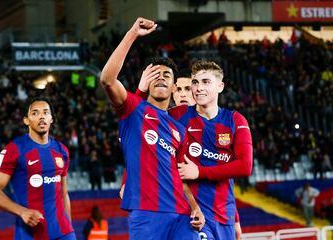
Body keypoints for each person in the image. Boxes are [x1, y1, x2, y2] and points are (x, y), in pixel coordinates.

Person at [100, 17, 204, 239]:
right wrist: (132, 34)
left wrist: (195, 207)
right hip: (147, 214)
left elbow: (180, 175)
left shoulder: (179, 129)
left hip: (182, 214)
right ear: (146, 81)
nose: (161, 78)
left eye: (166, 75)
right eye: (155, 73)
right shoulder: (133, 109)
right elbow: (107, 80)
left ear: (174, 87)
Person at [135, 61, 249, 240]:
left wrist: (235, 219)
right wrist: (127, 176)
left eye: (205, 82)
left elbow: (244, 166)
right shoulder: (178, 115)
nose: (198, 88)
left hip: (224, 216)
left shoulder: (235, 120)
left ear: (220, 86)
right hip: (192, 215)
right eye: (195, 82)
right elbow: (141, 125)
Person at [0, 97, 76, 240]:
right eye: (35, 113)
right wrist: (22, 211)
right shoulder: (14, 149)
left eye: (45, 112)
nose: (41, 116)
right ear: (26, 120)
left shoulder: (62, 150)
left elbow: (64, 194)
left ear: (51, 119)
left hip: (63, 233)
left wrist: (69, 227)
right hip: (29, 234)